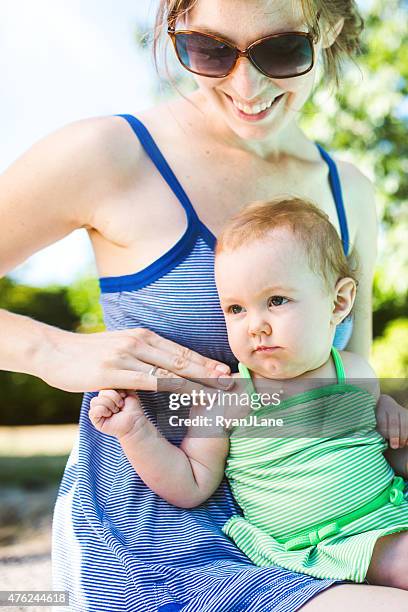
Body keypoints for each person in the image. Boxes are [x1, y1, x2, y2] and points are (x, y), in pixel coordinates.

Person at [1, 0, 408, 609]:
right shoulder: (110, 154)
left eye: (281, 48)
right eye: (210, 50)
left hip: (338, 520)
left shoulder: (349, 191)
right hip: (158, 540)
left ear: (327, 29)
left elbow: (351, 369)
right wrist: (50, 350)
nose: (246, 85)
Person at [89, 197, 408, 587]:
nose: (255, 325)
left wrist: (393, 417)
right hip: (325, 545)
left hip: (392, 512)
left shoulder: (354, 372)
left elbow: (388, 452)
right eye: (236, 309)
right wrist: (135, 431)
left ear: (339, 302)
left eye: (276, 301)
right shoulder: (231, 398)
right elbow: (191, 482)